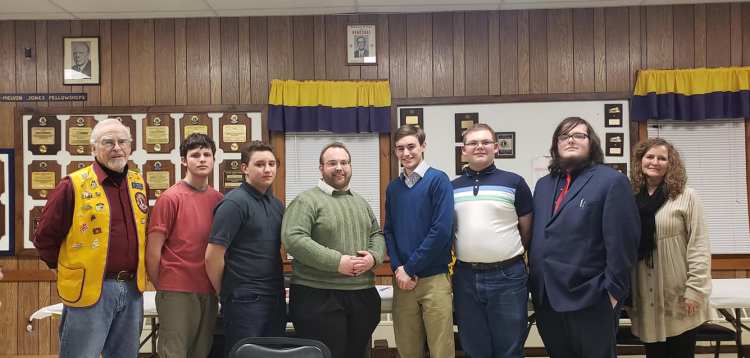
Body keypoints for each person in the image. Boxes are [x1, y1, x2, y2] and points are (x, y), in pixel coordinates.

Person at [32, 118, 147, 358]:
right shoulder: (73, 185)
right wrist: (61, 268)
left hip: (132, 289)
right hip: (90, 290)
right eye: (108, 142)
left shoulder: (138, 182)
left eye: (122, 141)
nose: (117, 147)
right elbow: (44, 237)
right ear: (93, 149)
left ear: (130, 146)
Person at [528, 116, 640, 358]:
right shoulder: (544, 185)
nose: (571, 140)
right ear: (556, 144)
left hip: (591, 297)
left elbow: (624, 243)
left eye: (579, 135)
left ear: (592, 143)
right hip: (547, 298)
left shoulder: (611, 182)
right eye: (564, 136)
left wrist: (613, 293)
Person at [282, 142, 386, 358]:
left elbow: (376, 234)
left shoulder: (361, 202)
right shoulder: (305, 201)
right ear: (321, 168)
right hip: (318, 296)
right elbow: (294, 239)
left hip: (362, 295)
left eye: (344, 162)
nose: (339, 167)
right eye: (332, 163)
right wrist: (338, 262)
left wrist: (373, 258)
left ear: (350, 166)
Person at [451, 123, 533, 358]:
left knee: (509, 349)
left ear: (496, 148)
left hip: (507, 277)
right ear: (463, 151)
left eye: (485, 142)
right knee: (474, 348)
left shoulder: (514, 182)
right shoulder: (451, 187)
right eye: (472, 143)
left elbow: (526, 230)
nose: (479, 147)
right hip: (465, 277)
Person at [627, 138, 711, 358]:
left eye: (662, 158)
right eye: (650, 157)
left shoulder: (686, 196)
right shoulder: (629, 197)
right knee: (654, 353)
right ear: (640, 161)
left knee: (681, 351)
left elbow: (699, 244)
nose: (655, 162)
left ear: (670, 164)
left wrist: (695, 290)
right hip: (644, 289)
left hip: (679, 291)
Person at [204, 141, 285, 358]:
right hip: (244, 300)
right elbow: (213, 256)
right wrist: (225, 291)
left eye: (271, 164)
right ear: (244, 168)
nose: (267, 169)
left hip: (274, 297)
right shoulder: (234, 203)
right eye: (259, 164)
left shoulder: (277, 205)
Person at [146, 133, 223, 358]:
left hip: (209, 289)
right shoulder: (171, 198)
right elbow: (153, 251)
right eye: (195, 155)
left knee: (201, 352)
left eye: (207, 154)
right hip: (177, 290)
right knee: (174, 352)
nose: (202, 159)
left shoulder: (219, 200)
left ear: (213, 159)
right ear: (183, 160)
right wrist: (165, 286)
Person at [384, 125, 455, 358]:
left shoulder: (438, 180)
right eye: (400, 148)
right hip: (403, 282)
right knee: (407, 349)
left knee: (441, 349)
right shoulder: (394, 188)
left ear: (423, 146)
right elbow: (389, 231)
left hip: (433, 280)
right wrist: (398, 269)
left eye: (411, 147)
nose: (406, 153)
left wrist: (410, 268)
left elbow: (441, 231)